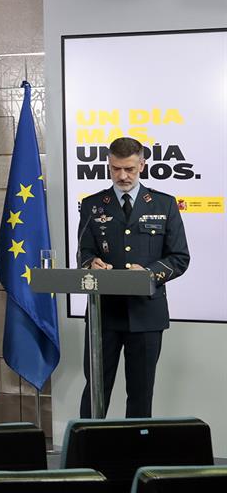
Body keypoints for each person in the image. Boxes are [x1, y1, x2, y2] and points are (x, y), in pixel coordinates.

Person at [78, 137, 189, 418]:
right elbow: (84, 252)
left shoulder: (164, 205)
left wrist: (149, 274)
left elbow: (179, 257)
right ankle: (86, 450)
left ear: (142, 165)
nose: (122, 176)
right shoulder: (92, 205)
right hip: (103, 314)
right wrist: (91, 263)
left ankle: (135, 454)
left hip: (146, 313)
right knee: (95, 390)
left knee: (141, 393)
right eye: (116, 169)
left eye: (129, 169)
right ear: (108, 165)